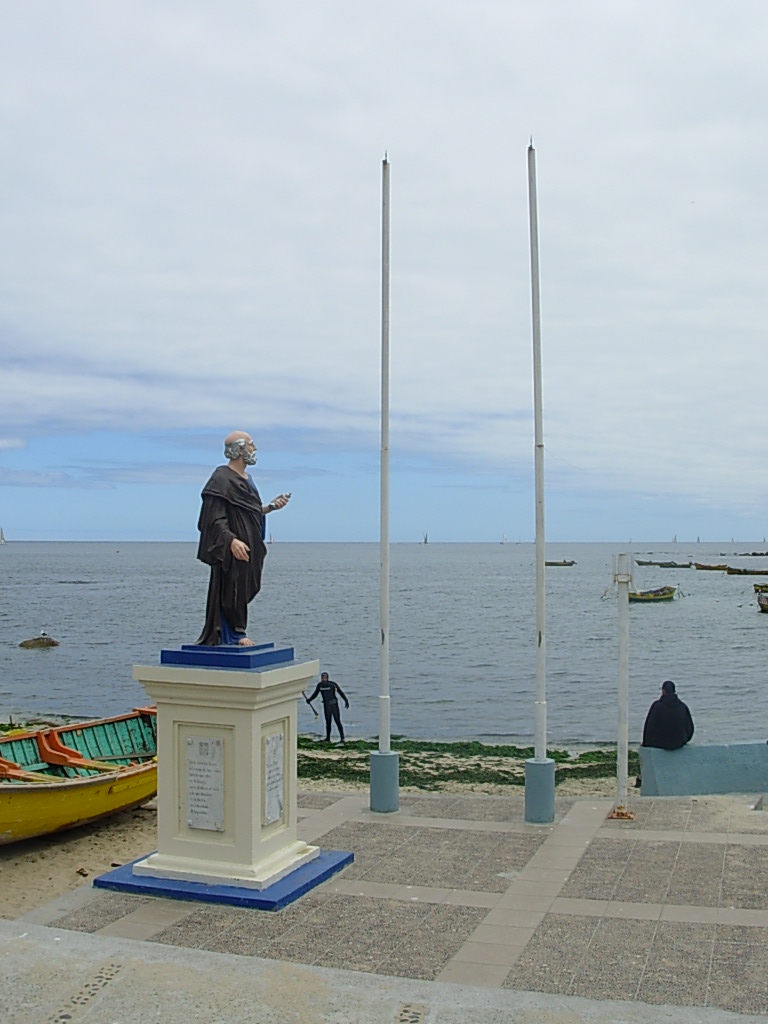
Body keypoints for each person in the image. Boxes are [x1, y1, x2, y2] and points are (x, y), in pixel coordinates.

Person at [195, 431, 290, 646]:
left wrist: (270, 508)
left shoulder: (249, 480)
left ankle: (236, 632)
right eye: (251, 444)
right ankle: (233, 634)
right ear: (238, 450)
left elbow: (249, 511)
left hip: (250, 547)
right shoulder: (221, 478)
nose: (254, 448)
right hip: (232, 550)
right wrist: (230, 540)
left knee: (245, 587)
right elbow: (212, 518)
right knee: (231, 589)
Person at [642, 680, 695, 750]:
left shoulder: (657, 706)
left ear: (663, 691)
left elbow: (649, 727)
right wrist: (684, 740)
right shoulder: (683, 706)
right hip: (679, 743)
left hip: (659, 743)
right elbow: (690, 728)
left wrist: (645, 744)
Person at [307, 672, 350, 743]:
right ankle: (328, 738)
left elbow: (340, 692)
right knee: (328, 722)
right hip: (326, 706)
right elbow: (315, 694)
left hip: (334, 705)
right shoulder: (319, 685)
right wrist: (309, 700)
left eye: (325, 678)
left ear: (327, 678)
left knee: (337, 721)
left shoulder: (332, 684)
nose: (324, 679)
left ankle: (342, 738)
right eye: (322, 678)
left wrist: (346, 701)